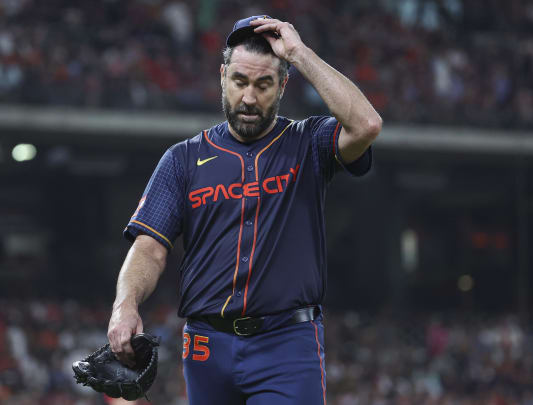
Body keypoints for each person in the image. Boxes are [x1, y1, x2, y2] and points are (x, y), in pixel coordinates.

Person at [108, 15, 382, 405]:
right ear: (222, 76)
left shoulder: (308, 143)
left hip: (287, 344)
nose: (249, 98)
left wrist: (299, 54)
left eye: (264, 84)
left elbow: (367, 124)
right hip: (207, 347)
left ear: (283, 84)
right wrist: (125, 306)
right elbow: (149, 246)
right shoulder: (183, 159)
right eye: (239, 82)